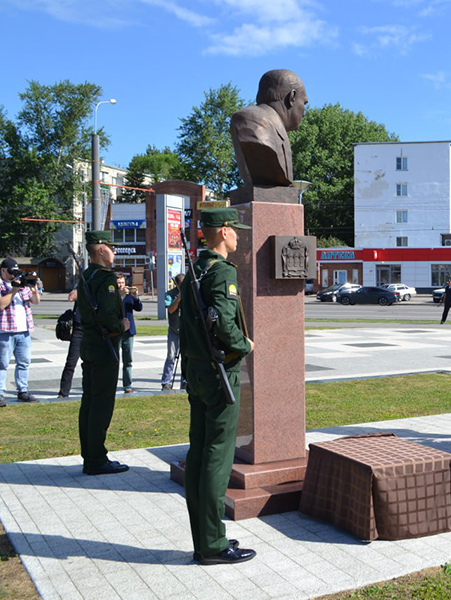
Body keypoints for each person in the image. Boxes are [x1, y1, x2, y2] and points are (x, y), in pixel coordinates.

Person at [180, 208, 256, 565]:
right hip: (220, 372)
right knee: (217, 456)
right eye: (235, 231)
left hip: (197, 372)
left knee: (199, 453)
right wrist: (245, 345)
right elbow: (226, 326)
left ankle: (204, 535)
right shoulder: (221, 271)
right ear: (223, 232)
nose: (239, 237)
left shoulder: (195, 270)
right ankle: (211, 544)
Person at [78, 231, 129, 475]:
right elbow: (108, 316)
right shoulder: (106, 279)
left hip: (88, 344)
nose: (114, 251)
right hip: (103, 346)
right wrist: (122, 326)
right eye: (111, 247)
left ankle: (90, 454)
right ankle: (97, 459)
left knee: (89, 402)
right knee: (101, 404)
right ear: (100, 250)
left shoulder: (87, 275)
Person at [230, 69, 307, 187]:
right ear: (292, 97)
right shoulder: (251, 120)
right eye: (304, 103)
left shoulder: (279, 133)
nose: (304, 113)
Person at [0, 257, 41, 406]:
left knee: (24, 362)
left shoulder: (21, 283)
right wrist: (14, 289)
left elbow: (35, 301)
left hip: (23, 330)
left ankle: (22, 391)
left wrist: (34, 289)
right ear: (3, 270)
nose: (14, 275)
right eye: (12, 272)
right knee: (2, 363)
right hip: (3, 330)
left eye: (16, 272)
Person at [117, 274, 142, 393]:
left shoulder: (129, 297)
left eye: (122, 282)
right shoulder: (112, 296)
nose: (120, 285)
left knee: (128, 360)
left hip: (128, 331)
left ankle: (127, 385)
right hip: (115, 331)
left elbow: (139, 308)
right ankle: (111, 383)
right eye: (118, 282)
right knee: (114, 359)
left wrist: (135, 297)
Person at [161, 274, 187, 390]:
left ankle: (185, 381)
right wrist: (178, 299)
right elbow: (171, 310)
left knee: (186, 357)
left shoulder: (189, 293)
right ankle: (166, 382)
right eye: (181, 285)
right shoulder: (170, 294)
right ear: (177, 284)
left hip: (186, 331)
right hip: (174, 330)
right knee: (171, 356)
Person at [57, 287, 82, 398]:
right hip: (79, 330)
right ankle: (63, 393)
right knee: (71, 363)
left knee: (93, 364)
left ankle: (92, 390)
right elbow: (71, 297)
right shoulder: (82, 286)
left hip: (93, 330)